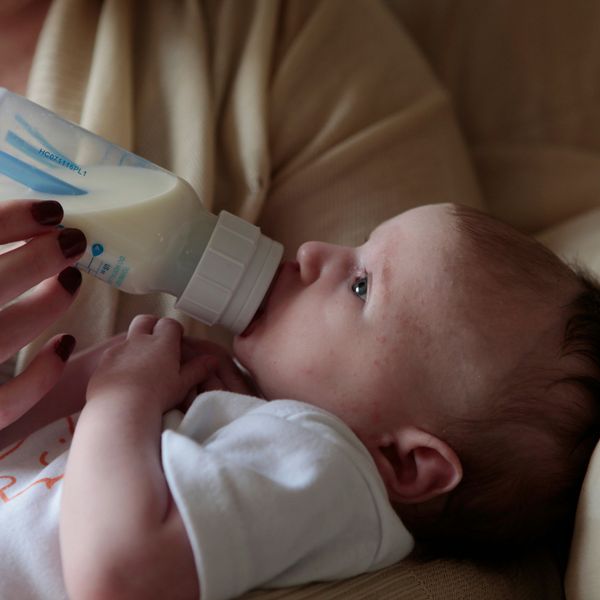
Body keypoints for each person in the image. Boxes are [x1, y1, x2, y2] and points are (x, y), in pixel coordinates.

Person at [1, 202, 598, 600]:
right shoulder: (262, 420)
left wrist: (122, 395)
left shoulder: (327, 466)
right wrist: (109, 374)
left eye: (361, 285)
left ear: (405, 462)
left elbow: (116, 579)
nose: (313, 251)